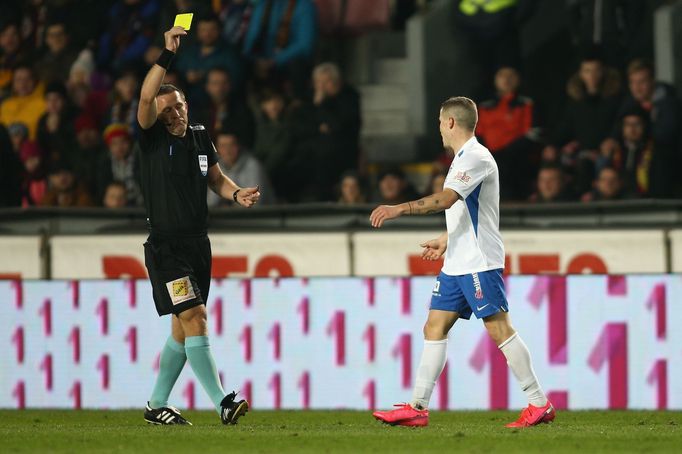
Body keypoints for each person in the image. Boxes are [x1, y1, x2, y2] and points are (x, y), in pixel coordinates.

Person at [370, 96, 555, 428]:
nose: (439, 128)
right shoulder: (461, 159)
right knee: (434, 326)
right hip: (457, 261)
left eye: (440, 122)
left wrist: (399, 208)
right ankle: (417, 407)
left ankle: (538, 402)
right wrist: (446, 240)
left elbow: (446, 199)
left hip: (478, 261)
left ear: (451, 123)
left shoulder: (475, 157)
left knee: (499, 328)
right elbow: (466, 210)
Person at [136, 25, 259, 426]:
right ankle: (223, 401)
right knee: (197, 318)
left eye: (179, 106)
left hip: (197, 246)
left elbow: (216, 179)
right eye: (166, 109)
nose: (174, 113)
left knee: (181, 329)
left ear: (188, 104)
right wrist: (166, 53)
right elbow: (143, 96)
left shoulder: (200, 137)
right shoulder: (151, 137)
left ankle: (155, 405)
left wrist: (236, 193)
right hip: (166, 249)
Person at [476, 66, 540, 200]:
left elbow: (532, 133)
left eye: (510, 75)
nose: (506, 79)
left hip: (517, 158)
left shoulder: (526, 103)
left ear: (518, 79)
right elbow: (478, 133)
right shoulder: (484, 106)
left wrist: (504, 153)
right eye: (502, 75)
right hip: (489, 158)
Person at [207, 132, 275, 207]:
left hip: (261, 216)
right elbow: (209, 203)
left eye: (231, 145)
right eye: (223, 146)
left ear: (238, 146)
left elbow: (254, 204)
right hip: (225, 216)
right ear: (217, 149)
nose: (227, 151)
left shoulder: (253, 166)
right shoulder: (215, 166)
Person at [95, 123, 142, 206]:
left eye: (123, 142)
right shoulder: (105, 163)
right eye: (114, 144)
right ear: (109, 147)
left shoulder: (140, 160)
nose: (119, 147)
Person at [0, 65, 46, 140]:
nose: (23, 83)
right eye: (18, 79)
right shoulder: (5, 105)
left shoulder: (44, 103)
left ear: (35, 81)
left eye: (28, 79)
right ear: (13, 83)